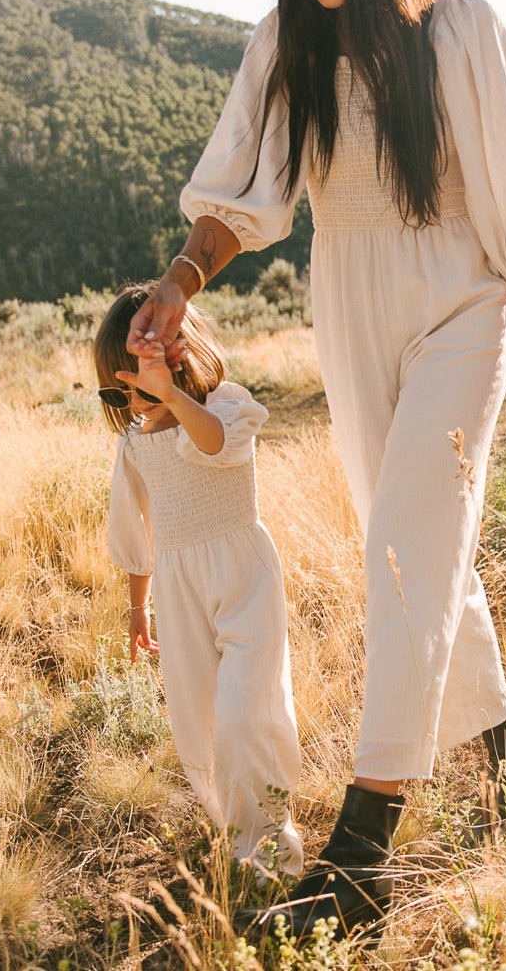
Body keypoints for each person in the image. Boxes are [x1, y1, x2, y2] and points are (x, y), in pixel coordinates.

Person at [127, 0, 506, 940]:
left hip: (460, 301)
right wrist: (180, 281)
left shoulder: (460, 26)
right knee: (416, 539)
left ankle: (362, 848)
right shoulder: (286, 45)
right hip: (350, 303)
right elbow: (246, 193)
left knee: (406, 548)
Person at [96, 282, 303, 876]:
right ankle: (238, 833)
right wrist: (139, 610)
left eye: (145, 379)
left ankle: (272, 846)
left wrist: (171, 395)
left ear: (181, 355)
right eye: (125, 388)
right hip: (179, 591)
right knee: (201, 718)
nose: (139, 399)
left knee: (247, 713)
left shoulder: (225, 408)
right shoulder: (135, 448)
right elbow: (135, 534)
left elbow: (214, 446)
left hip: (244, 581)